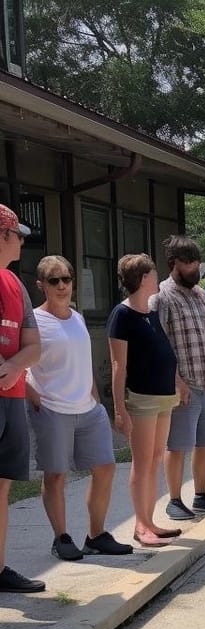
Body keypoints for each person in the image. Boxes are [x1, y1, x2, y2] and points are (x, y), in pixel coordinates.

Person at [25, 256, 133, 561]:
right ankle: (61, 537)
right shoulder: (33, 321)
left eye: (67, 279)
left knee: (105, 467)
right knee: (56, 475)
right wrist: (34, 397)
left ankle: (96, 535)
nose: (62, 286)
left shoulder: (77, 317)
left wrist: (96, 398)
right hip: (52, 409)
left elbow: (83, 360)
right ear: (41, 285)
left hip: (87, 408)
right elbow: (18, 365)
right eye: (53, 280)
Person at [156, 235, 205, 522]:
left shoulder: (201, 295)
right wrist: (176, 381)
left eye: (196, 262)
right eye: (189, 263)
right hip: (183, 384)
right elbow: (161, 344)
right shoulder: (161, 297)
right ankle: (174, 499)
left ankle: (201, 496)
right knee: (177, 446)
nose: (194, 268)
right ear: (174, 263)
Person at [108, 254, 182, 548]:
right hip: (141, 399)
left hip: (164, 397)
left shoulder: (150, 312)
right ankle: (140, 526)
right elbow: (118, 366)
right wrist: (119, 410)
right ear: (142, 279)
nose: (157, 279)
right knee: (142, 463)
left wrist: (176, 381)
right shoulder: (121, 315)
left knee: (155, 459)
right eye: (153, 274)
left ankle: (150, 521)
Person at [0, 204, 44, 592]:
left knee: (2, 485)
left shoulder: (15, 285)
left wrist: (14, 367)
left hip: (11, 395)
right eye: (18, 234)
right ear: (3, 235)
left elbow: (33, 345)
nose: (22, 241)